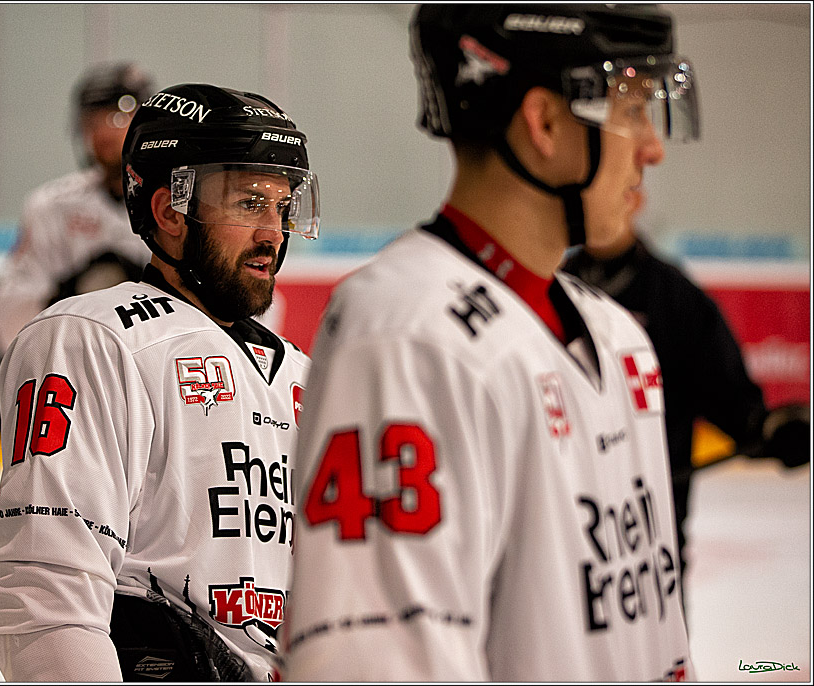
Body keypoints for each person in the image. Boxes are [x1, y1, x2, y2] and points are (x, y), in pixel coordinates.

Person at [280, 4, 702, 681]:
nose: (652, 149)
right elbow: (379, 661)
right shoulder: (404, 332)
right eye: (632, 111)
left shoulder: (618, 335)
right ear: (545, 123)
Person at [0, 83, 321, 681]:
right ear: (168, 211)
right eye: (249, 204)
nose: (273, 231)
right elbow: (40, 593)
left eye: (282, 206)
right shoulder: (89, 339)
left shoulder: (301, 374)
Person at [562, 186, 810, 590]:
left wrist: (770, 428)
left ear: (635, 199)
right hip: (561, 533)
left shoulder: (676, 296)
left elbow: (733, 402)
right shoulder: (553, 287)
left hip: (650, 541)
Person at [0, 62, 156, 356]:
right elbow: (7, 313)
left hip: (158, 356)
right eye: (93, 121)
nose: (105, 133)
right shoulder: (52, 205)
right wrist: (64, 297)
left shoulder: (176, 201)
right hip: (76, 358)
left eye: (119, 117)